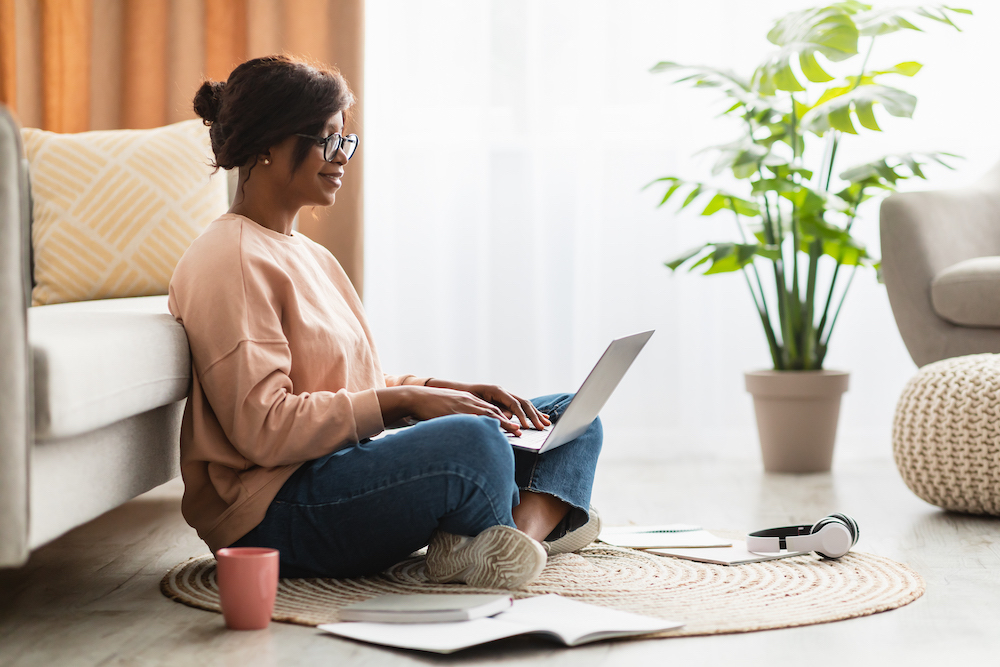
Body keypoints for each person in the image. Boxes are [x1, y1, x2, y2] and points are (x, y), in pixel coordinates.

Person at [168, 55, 602, 589]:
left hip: (337, 470)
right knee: (474, 442)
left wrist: (440, 389)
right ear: (266, 144)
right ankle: (530, 524)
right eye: (327, 139)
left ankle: (515, 542)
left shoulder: (310, 255)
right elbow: (264, 430)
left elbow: (352, 389)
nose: (341, 156)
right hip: (274, 514)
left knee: (568, 416)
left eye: (345, 140)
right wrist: (406, 405)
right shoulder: (228, 258)